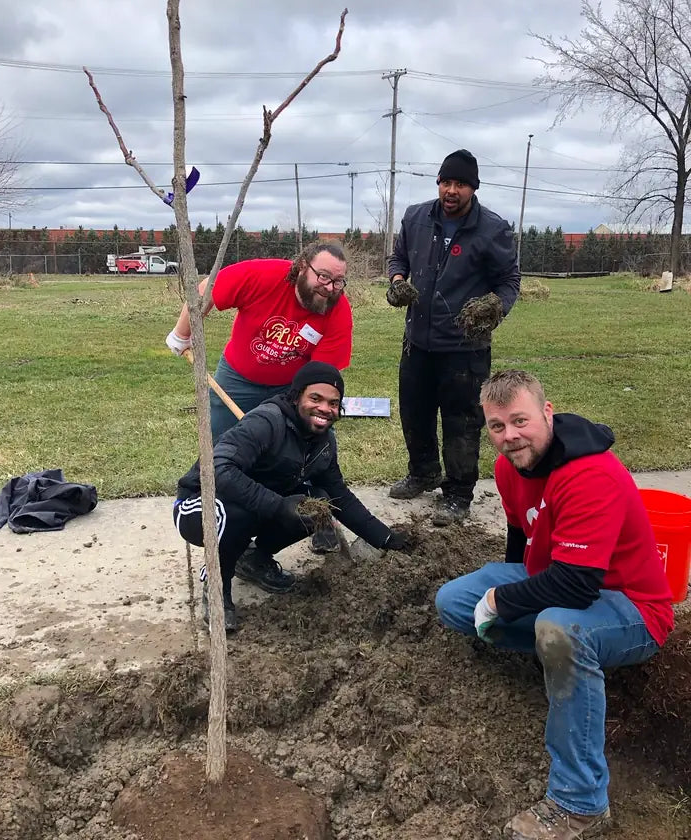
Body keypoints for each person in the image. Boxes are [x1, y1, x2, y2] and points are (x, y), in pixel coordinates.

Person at [435, 369, 674, 840]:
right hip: (560, 581)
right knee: (454, 601)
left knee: (559, 628)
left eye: (520, 421)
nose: (510, 436)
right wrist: (500, 593)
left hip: (631, 608)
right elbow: (519, 535)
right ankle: (559, 665)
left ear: (547, 412)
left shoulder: (590, 474)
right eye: (497, 427)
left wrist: (503, 601)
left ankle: (581, 803)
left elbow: (578, 585)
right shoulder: (511, 465)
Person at [173, 362, 412, 633]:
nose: (325, 408)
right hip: (199, 507)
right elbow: (216, 470)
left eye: (333, 403)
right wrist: (278, 506)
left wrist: (386, 538)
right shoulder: (266, 422)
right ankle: (217, 588)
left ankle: (253, 560)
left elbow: (340, 498)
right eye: (316, 398)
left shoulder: (322, 444)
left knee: (319, 503)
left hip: (254, 507)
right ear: (297, 396)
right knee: (237, 512)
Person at [166, 242, 353, 553]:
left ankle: (321, 518)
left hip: (292, 388)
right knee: (225, 446)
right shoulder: (262, 276)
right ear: (302, 267)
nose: (329, 288)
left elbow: (321, 377)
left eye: (337, 281)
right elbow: (206, 290)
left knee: (313, 447)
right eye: (322, 277)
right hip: (238, 377)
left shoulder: (337, 310)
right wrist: (182, 333)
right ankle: (222, 517)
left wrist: (302, 413)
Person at [387, 148, 520, 523]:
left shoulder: (493, 229)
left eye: (460, 184)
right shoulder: (416, 217)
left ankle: (459, 492)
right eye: (446, 181)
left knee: (462, 421)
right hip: (418, 342)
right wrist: (398, 280)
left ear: (473, 189)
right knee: (415, 412)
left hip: (465, 348)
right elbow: (398, 258)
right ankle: (423, 472)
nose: (451, 190)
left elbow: (509, 281)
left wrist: (495, 307)